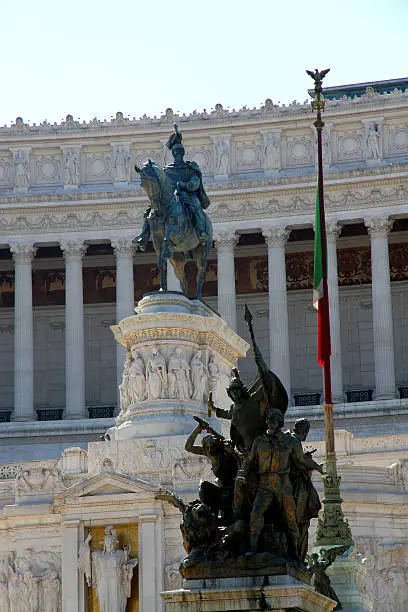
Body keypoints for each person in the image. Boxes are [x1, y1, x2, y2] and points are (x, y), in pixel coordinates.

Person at [241, 408, 324, 559]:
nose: (270, 422)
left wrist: (317, 467)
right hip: (264, 483)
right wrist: (242, 474)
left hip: (283, 484)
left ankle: (295, 551)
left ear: (280, 422)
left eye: (273, 419)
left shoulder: (290, 441)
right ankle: (252, 548)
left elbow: (301, 459)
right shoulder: (259, 440)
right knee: (255, 513)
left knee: (291, 517)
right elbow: (249, 460)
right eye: (269, 419)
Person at [135, 124, 210, 250]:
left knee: (196, 204)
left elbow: (195, 182)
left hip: (187, 195)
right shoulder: (167, 170)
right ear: (173, 153)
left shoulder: (190, 166)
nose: (177, 154)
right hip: (172, 196)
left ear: (183, 153)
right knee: (151, 211)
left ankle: (201, 231)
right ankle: (144, 235)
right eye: (175, 152)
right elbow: (163, 186)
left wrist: (184, 185)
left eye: (179, 152)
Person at [185, 417, 240, 523]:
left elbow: (226, 444)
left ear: (217, 445)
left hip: (235, 487)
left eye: (213, 445)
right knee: (204, 488)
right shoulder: (208, 453)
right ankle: (211, 517)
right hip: (222, 488)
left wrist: (211, 431)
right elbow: (188, 447)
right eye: (208, 447)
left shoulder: (224, 452)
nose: (210, 449)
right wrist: (198, 429)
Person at [209, 368, 266, 454]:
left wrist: (263, 372)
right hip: (241, 443)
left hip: (256, 439)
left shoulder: (251, 401)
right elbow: (226, 414)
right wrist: (213, 408)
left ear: (241, 391)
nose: (235, 393)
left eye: (237, 390)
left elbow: (263, 389)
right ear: (229, 393)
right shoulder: (234, 407)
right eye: (232, 391)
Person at [289, 418, 321, 561]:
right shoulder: (293, 440)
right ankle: (297, 554)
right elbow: (300, 460)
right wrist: (317, 466)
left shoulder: (287, 437)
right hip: (292, 482)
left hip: (289, 479)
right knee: (302, 520)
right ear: (306, 431)